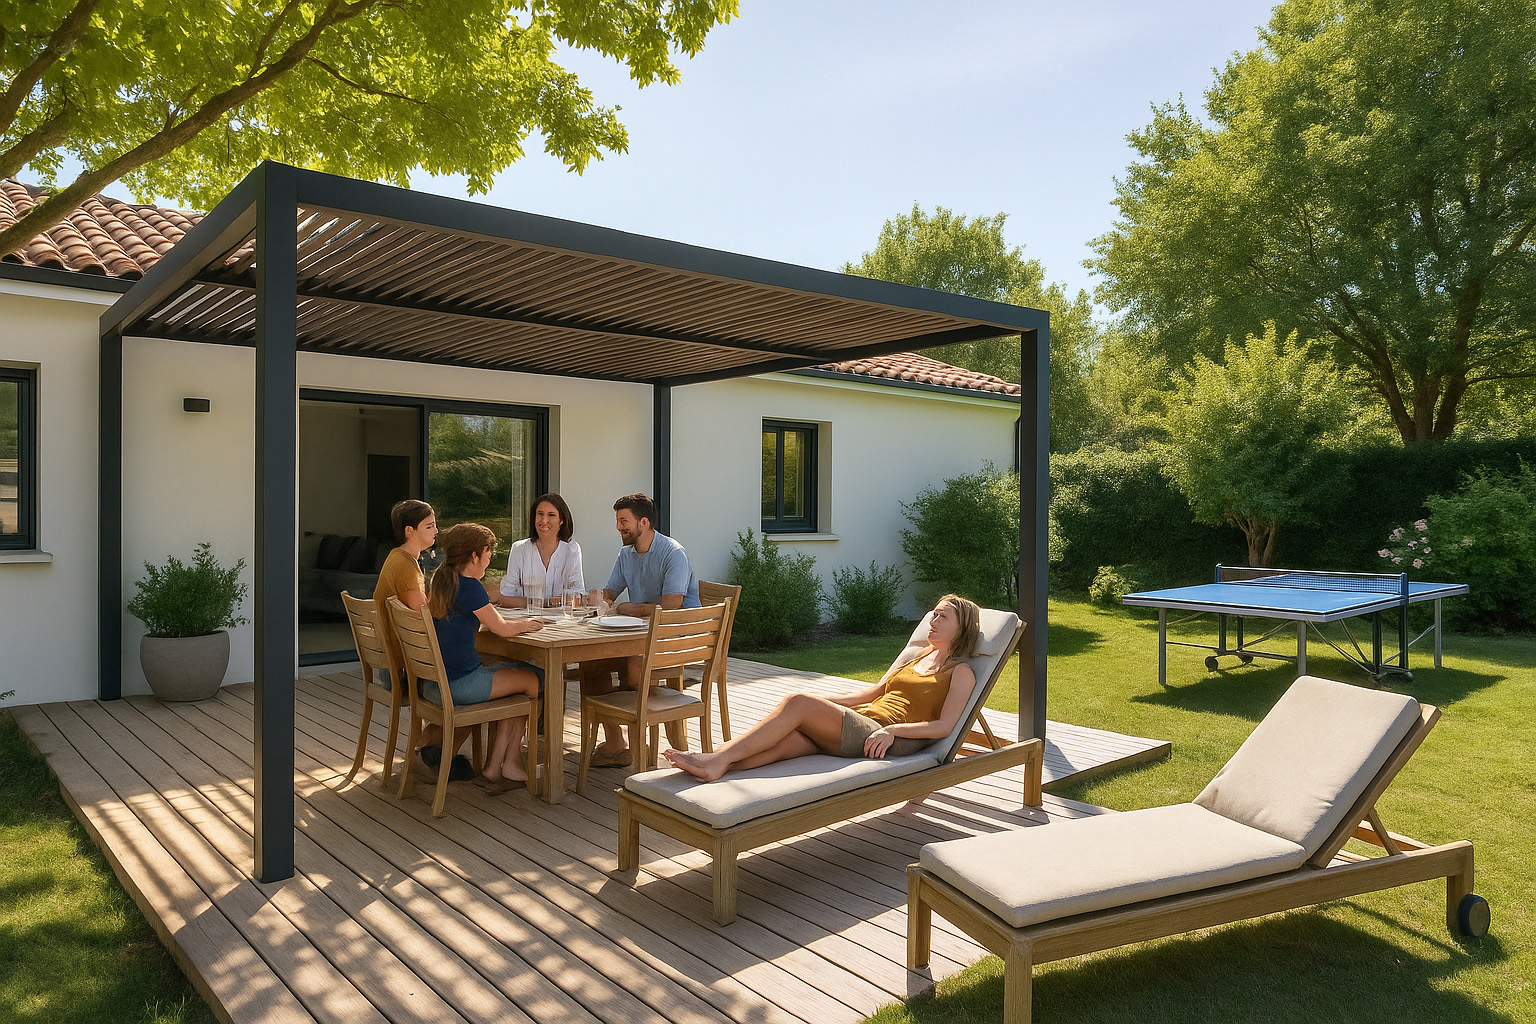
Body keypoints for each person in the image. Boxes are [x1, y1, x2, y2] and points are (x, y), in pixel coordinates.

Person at [664, 595, 981, 782]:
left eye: (942, 617)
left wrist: (893, 731)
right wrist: (821, 702)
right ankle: (716, 763)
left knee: (798, 702)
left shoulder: (961, 672)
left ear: (962, 627)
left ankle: (715, 760)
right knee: (787, 742)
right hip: (866, 722)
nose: (932, 621)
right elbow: (870, 695)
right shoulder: (918, 656)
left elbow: (944, 726)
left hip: (887, 737)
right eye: (933, 615)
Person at [580, 492, 700, 766]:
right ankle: (616, 744)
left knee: (632, 664)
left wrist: (633, 609)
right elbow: (610, 592)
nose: (618, 527)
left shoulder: (673, 553)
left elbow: (672, 604)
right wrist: (595, 599)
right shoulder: (626, 554)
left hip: (674, 640)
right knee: (591, 664)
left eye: (623, 521)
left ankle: (640, 742)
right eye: (617, 521)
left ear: (643, 522)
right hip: (639, 636)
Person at [424, 522, 546, 790]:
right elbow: (502, 628)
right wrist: (527, 624)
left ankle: (498, 764)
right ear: (475, 555)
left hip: (433, 684)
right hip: (460, 685)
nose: (490, 559)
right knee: (535, 679)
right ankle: (507, 763)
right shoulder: (470, 586)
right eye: (488, 552)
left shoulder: (442, 580)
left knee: (517, 673)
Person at [493, 492, 584, 609]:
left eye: (551, 515)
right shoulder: (519, 549)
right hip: (524, 618)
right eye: (540, 514)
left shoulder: (572, 550)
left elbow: (577, 596)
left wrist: (528, 602)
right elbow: (506, 597)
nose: (544, 520)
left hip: (560, 618)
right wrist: (548, 603)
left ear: (561, 520)